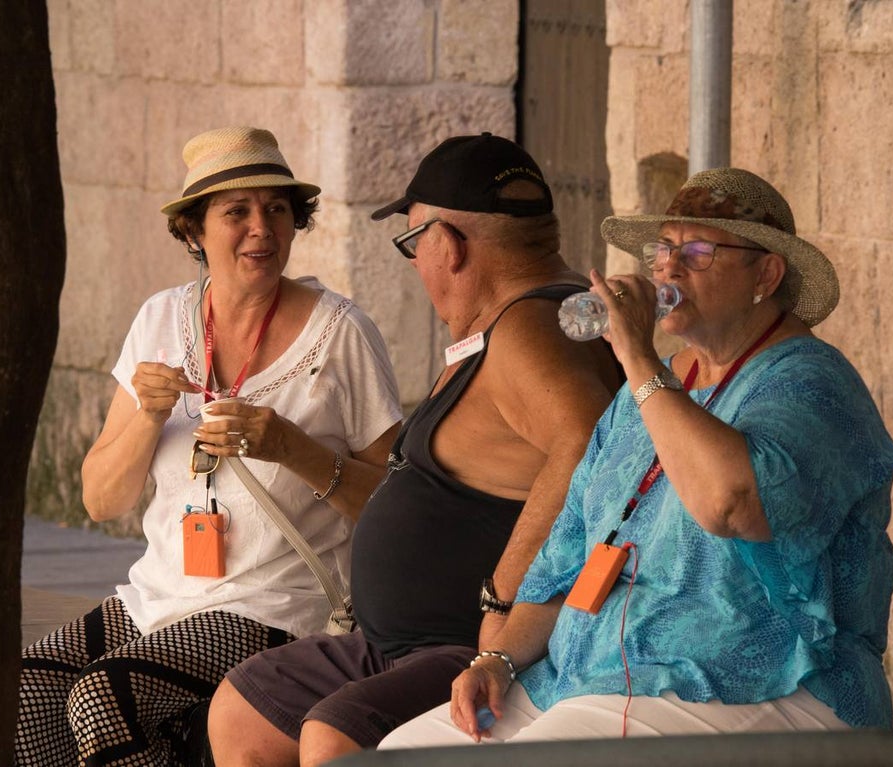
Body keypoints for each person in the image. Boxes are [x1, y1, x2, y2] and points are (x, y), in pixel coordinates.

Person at [379, 168, 893, 750]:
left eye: (697, 251)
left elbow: (731, 504)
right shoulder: (641, 395)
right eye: (662, 250)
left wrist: (637, 356)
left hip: (761, 680)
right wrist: (497, 660)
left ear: (766, 273)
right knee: (405, 752)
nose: (668, 270)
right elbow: (566, 558)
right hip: (593, 676)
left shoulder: (810, 382)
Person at [208, 133, 623, 766]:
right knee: (245, 710)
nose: (414, 263)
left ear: (449, 245)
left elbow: (590, 443)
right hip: (394, 637)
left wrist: (502, 602)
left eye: (412, 244)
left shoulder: (527, 331)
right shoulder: (519, 316)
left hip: (464, 648)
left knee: (335, 738)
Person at [13, 126, 403, 765]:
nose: (262, 227)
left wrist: (289, 446)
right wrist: (149, 415)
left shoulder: (341, 335)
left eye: (277, 208)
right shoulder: (160, 320)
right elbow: (100, 500)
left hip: (278, 605)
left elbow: (397, 506)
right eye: (237, 211)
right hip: (160, 597)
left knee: (103, 698)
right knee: (27, 687)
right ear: (194, 231)